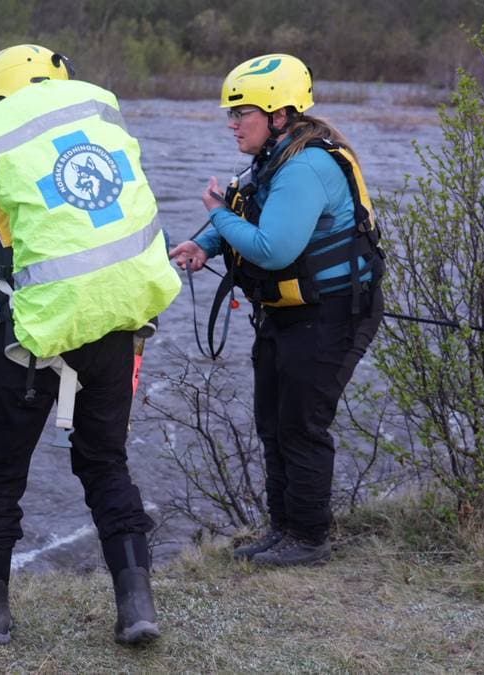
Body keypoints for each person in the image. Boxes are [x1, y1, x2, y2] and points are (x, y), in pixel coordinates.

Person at [0, 44, 180, 645]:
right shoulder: (103, 131)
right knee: (106, 464)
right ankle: (137, 608)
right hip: (113, 326)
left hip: (26, 342)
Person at [168, 54, 384, 568]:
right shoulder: (273, 158)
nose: (232, 123)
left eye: (242, 112)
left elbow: (272, 250)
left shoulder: (306, 165)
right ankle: (282, 530)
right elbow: (246, 211)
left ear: (280, 114)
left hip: (332, 314)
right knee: (272, 423)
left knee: (300, 426)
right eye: (231, 112)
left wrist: (216, 214)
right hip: (287, 316)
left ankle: (309, 539)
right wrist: (205, 242)